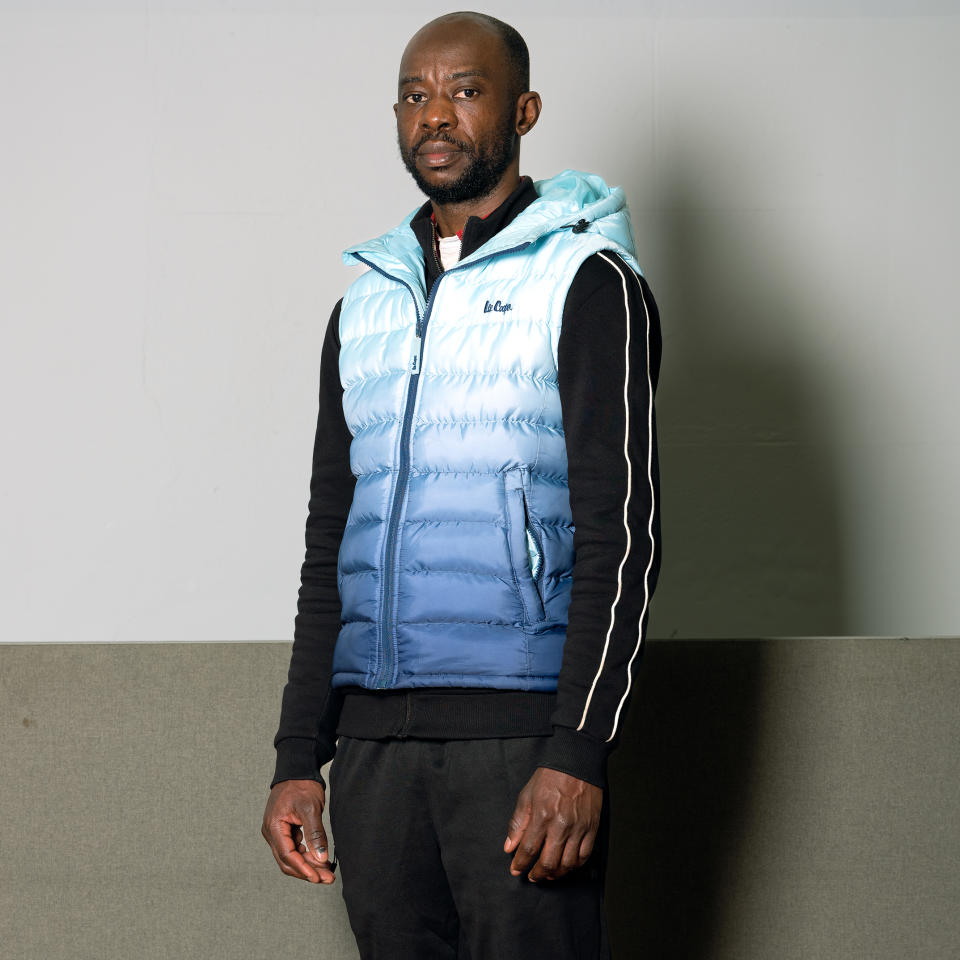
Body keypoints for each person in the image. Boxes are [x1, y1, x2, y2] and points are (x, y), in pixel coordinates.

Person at [261, 10, 662, 959]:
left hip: (520, 742)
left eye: (465, 91)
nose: (434, 115)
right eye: (414, 94)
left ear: (522, 110)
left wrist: (577, 751)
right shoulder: (363, 304)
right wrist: (297, 758)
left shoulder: (587, 280)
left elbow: (623, 536)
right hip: (371, 755)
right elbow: (333, 545)